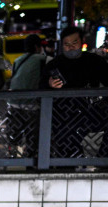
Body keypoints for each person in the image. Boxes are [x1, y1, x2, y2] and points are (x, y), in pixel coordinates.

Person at [43, 26, 108, 161]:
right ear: (62, 45)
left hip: (91, 111)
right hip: (64, 116)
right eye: (67, 44)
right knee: (65, 142)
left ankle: (103, 159)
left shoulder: (94, 61)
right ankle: (69, 164)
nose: (71, 47)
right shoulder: (54, 64)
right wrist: (49, 85)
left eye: (74, 43)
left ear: (82, 41)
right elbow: (40, 88)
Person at [6, 34, 46, 160]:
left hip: (14, 103)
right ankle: (31, 161)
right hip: (32, 105)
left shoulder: (18, 60)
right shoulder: (43, 59)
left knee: (15, 136)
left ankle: (15, 161)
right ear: (37, 47)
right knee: (32, 136)